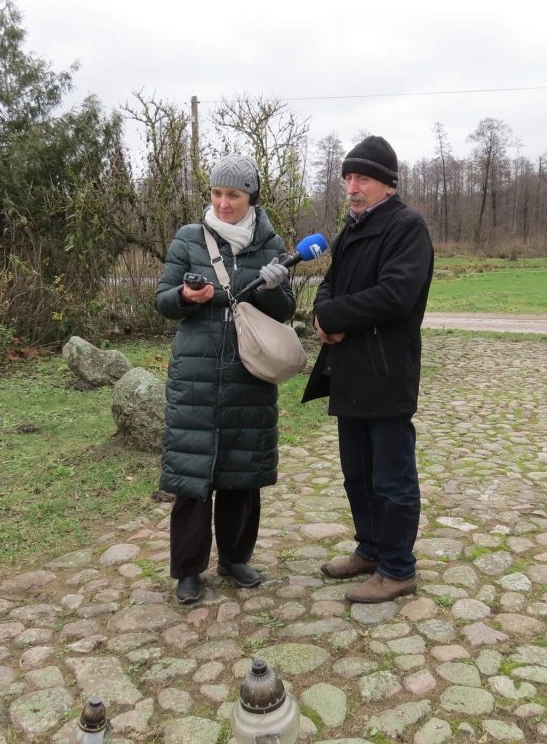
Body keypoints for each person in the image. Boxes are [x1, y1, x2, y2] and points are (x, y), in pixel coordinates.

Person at [155, 154, 296, 605]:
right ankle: (188, 570)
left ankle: (235, 559)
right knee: (192, 477)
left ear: (251, 196)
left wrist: (274, 288)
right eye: (216, 194)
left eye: (232, 195)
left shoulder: (271, 244)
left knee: (242, 472)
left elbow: (285, 310)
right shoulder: (189, 238)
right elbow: (162, 300)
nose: (223, 203)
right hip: (195, 373)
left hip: (248, 374)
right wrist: (185, 295)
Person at [302, 135, 434, 604]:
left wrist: (335, 317)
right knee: (356, 473)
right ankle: (370, 548)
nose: (352, 187)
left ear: (386, 184)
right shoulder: (351, 230)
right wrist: (322, 315)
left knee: (392, 478)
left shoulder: (407, 228)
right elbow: (329, 284)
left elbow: (395, 296)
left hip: (387, 373)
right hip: (350, 373)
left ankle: (398, 569)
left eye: (362, 179)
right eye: (348, 178)